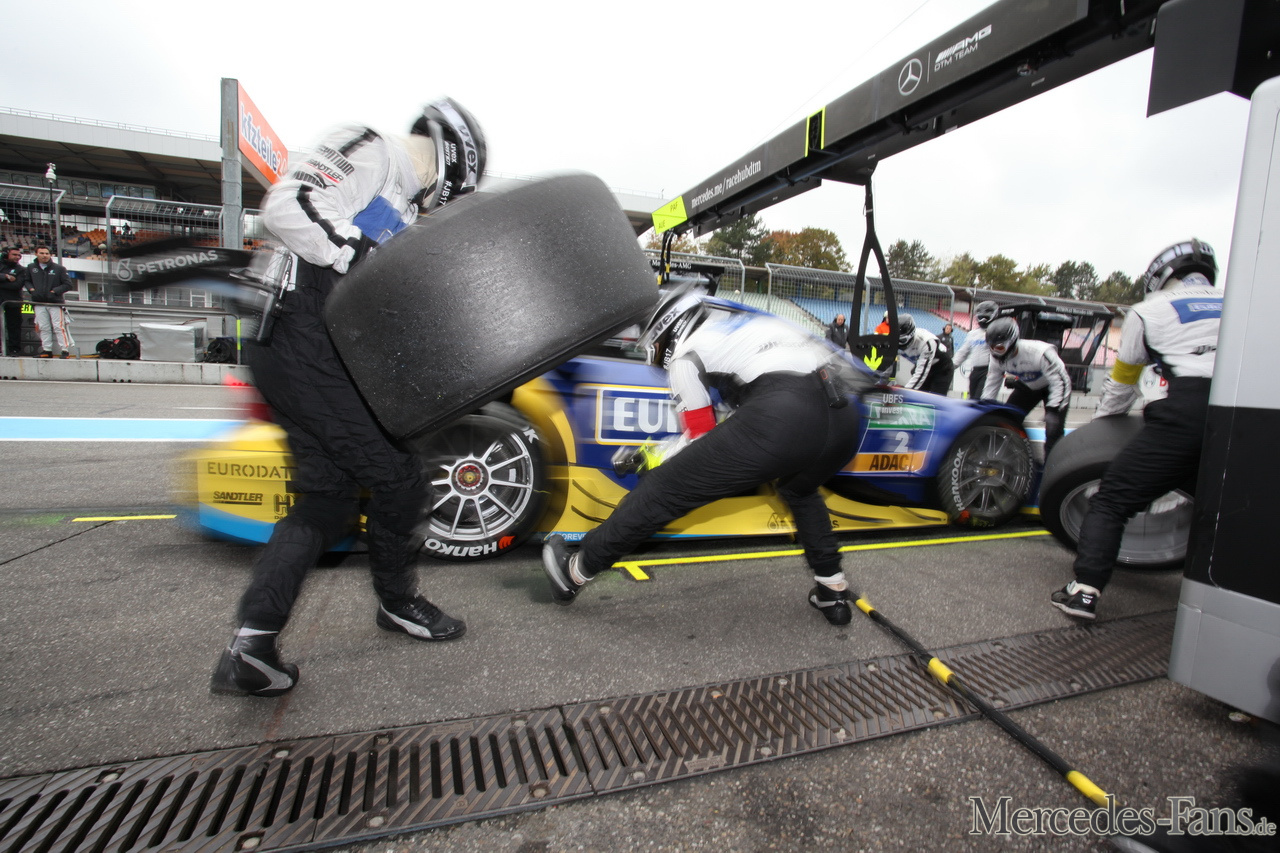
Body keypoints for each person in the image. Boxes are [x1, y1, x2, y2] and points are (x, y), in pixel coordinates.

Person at [210, 98, 487, 698]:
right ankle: (397, 602)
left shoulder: (399, 207)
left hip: (299, 351)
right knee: (401, 481)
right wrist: (353, 253)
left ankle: (252, 645)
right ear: (453, 166)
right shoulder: (373, 149)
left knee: (326, 503)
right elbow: (290, 204)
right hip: (301, 345)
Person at [541, 285, 870, 626]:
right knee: (800, 492)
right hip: (846, 418)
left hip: (782, 414)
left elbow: (700, 435)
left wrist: (651, 458)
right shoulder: (752, 327)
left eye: (654, 347)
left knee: (663, 491)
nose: (655, 358)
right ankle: (833, 589)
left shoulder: (686, 354)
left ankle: (575, 571)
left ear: (669, 331)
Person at [1052, 240, 1219, 621]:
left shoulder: (1149, 310)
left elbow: (1123, 385)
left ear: (1160, 276)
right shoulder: (1244, 302)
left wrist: (1096, 434)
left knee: (1111, 501)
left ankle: (1084, 591)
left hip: (1187, 414)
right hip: (1256, 414)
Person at [981, 316, 1071, 459]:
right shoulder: (995, 358)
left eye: (999, 348)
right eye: (990, 347)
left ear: (1011, 342)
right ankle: (1002, 459)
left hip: (1054, 386)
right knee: (1007, 420)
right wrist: (984, 409)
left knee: (1053, 431)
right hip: (1028, 386)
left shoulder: (1040, 353)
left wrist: (1054, 409)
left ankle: (1053, 465)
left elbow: (1061, 381)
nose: (995, 353)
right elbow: (991, 384)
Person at [21, 245, 74, 358]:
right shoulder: (31, 267)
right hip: (39, 302)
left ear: (50, 255)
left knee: (59, 327)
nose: (44, 256)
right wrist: (32, 290)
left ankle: (65, 350)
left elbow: (68, 284)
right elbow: (27, 281)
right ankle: (47, 350)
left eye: (47, 253)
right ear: (36, 254)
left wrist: (54, 291)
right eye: (42, 253)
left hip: (55, 303)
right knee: (43, 327)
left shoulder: (59, 268)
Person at [897, 312, 953, 395]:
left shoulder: (926, 342)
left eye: (902, 340)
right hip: (924, 365)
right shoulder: (892, 340)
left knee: (933, 398)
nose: (898, 344)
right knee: (916, 396)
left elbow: (921, 373)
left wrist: (904, 394)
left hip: (941, 368)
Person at [953, 300, 998, 400]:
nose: (982, 319)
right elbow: (963, 351)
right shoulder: (973, 334)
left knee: (980, 399)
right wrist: (952, 366)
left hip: (988, 370)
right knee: (972, 398)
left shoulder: (997, 333)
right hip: (975, 370)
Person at [1, 246, 24, 356]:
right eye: (14, 255)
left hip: (13, 302)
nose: (17, 257)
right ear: (6, 255)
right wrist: (5, 277)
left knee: (14, 327)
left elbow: (17, 285)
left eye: (19, 255)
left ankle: (14, 349)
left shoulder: (21, 270)